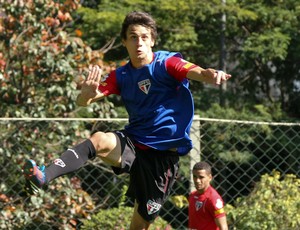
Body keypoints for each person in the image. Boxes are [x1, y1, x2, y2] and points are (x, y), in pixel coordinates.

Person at [22, 11, 231, 230]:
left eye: (144, 37)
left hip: (162, 161)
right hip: (133, 143)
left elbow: (193, 70)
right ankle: (44, 175)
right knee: (99, 140)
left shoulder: (166, 64)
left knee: (138, 226)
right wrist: (85, 93)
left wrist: (208, 74)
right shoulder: (120, 75)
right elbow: (85, 101)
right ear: (125, 42)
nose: (139, 42)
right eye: (133, 37)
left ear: (152, 41)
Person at [188, 161, 228, 230]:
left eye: (201, 177)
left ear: (210, 177)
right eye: (195, 176)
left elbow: (223, 227)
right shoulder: (192, 196)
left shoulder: (213, 199)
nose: (197, 180)